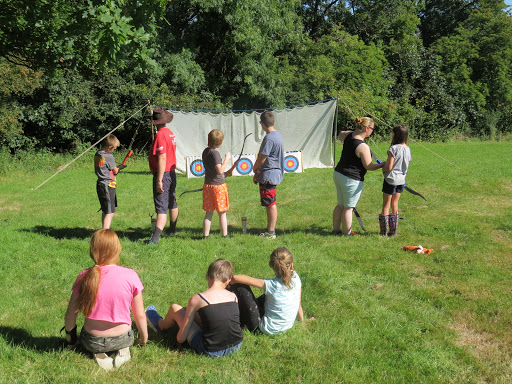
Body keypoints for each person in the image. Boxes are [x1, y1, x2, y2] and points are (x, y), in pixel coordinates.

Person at [63, 229, 148, 370]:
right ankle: (122, 350)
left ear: (93, 250)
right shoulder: (130, 275)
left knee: (95, 344)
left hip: (92, 340)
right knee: (123, 341)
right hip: (123, 337)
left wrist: (71, 341)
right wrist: (143, 339)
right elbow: (139, 315)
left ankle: (99, 353)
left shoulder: (84, 276)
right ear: (117, 249)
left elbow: (70, 315)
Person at [145, 259, 243, 358]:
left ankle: (160, 325)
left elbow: (181, 338)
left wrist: (181, 328)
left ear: (207, 276)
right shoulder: (233, 297)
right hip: (236, 345)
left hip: (211, 350)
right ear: (228, 281)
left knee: (176, 308)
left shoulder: (198, 299)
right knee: (196, 312)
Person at [229, 247, 305, 335]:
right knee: (267, 296)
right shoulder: (296, 277)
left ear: (270, 265)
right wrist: (302, 321)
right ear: (291, 265)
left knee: (240, 284)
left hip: (263, 330)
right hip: (286, 327)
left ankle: (223, 306)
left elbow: (235, 278)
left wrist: (229, 285)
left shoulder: (271, 285)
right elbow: (298, 303)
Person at [332, 117, 385, 236]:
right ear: (366, 128)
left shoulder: (349, 135)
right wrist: (381, 165)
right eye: (372, 128)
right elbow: (368, 166)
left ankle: (336, 230)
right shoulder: (363, 146)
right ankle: (347, 233)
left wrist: (352, 132)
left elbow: (341, 134)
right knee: (348, 208)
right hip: (351, 179)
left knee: (340, 204)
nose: (372, 131)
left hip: (339, 174)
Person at [147, 107, 178, 244]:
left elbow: (162, 158)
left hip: (164, 174)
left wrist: (159, 179)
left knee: (161, 206)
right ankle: (172, 229)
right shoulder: (170, 133)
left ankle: (155, 239)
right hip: (171, 173)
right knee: (172, 201)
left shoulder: (160, 135)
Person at [252, 111, 284, 239]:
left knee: (270, 203)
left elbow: (262, 158)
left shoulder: (270, 138)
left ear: (262, 124)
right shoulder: (277, 135)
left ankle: (271, 233)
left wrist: (255, 168)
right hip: (270, 174)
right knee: (270, 202)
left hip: (269, 175)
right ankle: (270, 230)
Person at [379, 125, 411, 236]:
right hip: (401, 180)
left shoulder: (393, 148)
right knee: (395, 204)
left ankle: (384, 233)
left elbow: (389, 166)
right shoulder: (408, 149)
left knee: (386, 205)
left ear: (395, 135)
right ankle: (393, 232)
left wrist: (382, 167)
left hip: (390, 180)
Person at [202, 129, 231, 238]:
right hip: (218, 187)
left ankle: (205, 236)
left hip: (208, 185)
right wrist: (227, 159)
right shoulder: (215, 153)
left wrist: (226, 173)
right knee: (222, 212)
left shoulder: (205, 151)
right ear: (219, 143)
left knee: (209, 212)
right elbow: (219, 170)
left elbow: (214, 171)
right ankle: (224, 235)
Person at [94, 134, 125, 229]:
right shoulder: (109, 156)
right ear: (109, 147)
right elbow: (115, 171)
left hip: (100, 184)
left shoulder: (98, 154)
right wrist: (120, 168)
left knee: (105, 210)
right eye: (114, 149)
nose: (114, 150)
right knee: (110, 212)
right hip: (108, 186)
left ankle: (104, 229)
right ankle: (105, 232)